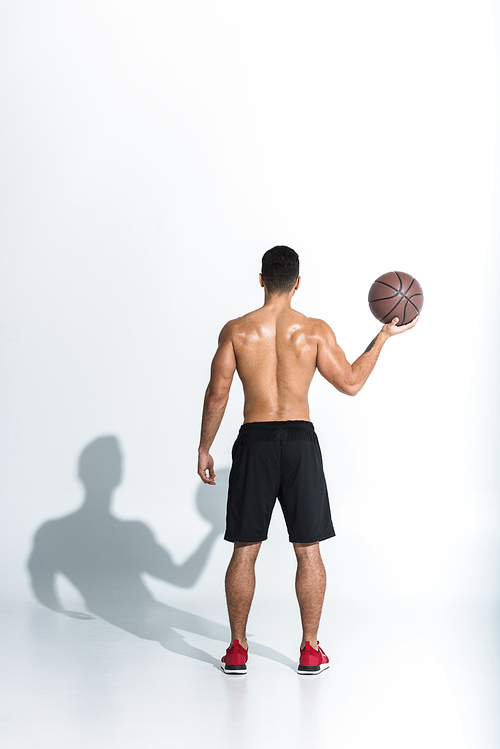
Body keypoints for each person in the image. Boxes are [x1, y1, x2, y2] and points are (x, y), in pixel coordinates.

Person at [197, 246, 419, 674]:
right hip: (300, 441)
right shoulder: (314, 330)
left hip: (255, 440)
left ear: (261, 279)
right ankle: (310, 649)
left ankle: (238, 649)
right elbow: (351, 383)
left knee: (245, 548)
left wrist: (205, 446)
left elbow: (218, 393)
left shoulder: (238, 331)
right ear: (298, 282)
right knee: (308, 548)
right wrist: (383, 337)